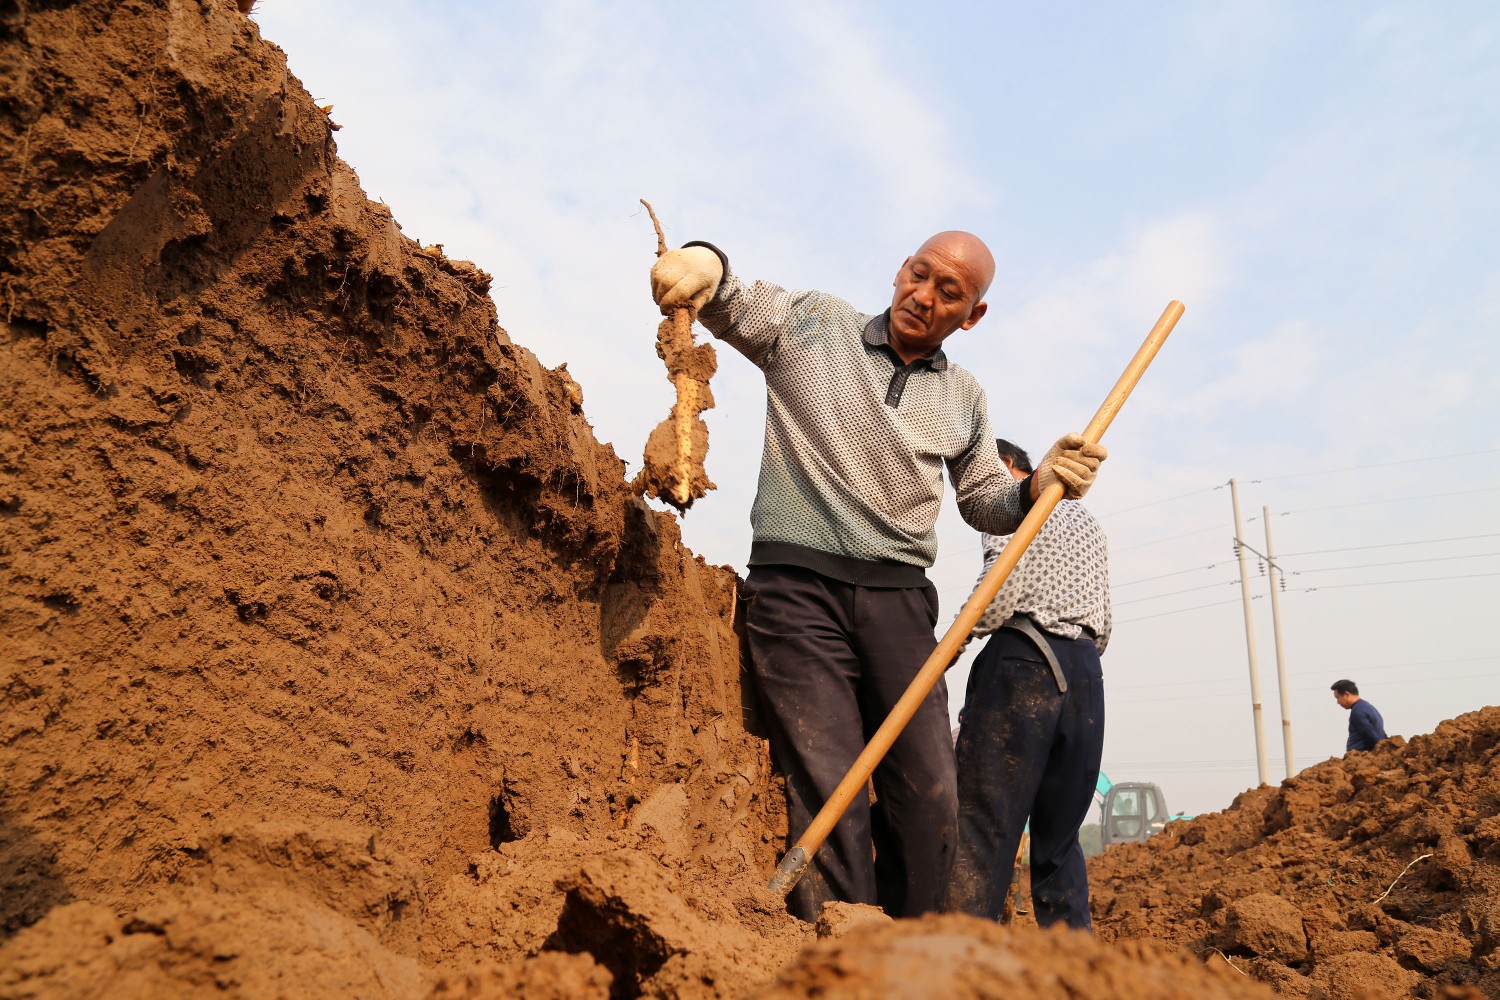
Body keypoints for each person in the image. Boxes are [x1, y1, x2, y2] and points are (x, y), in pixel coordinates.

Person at [650, 234, 1107, 921]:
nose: (924, 296)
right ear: (900, 271)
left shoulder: (964, 397)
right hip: (798, 591)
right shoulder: (814, 324)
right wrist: (705, 262)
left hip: (899, 603)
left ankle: (911, 957)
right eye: (919, 276)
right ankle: (843, 957)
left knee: (932, 798)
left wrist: (1040, 481)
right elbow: (733, 302)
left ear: (972, 316)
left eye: (949, 292)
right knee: (829, 784)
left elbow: (985, 498)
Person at [945, 439, 1111, 931]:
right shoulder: (1089, 523)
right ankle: (1075, 965)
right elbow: (1104, 619)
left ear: (1012, 467)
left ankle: (962, 958)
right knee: (1060, 838)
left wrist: (951, 645)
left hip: (1024, 664)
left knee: (983, 826)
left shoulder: (1019, 510)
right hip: (1085, 672)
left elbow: (999, 589)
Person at [1331, 679, 1388, 752]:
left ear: (1346, 694)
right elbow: (1381, 735)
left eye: (1338, 698)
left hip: (1362, 757)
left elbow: (1370, 735)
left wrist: (1373, 753)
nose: (1338, 702)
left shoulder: (1357, 711)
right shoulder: (1368, 707)